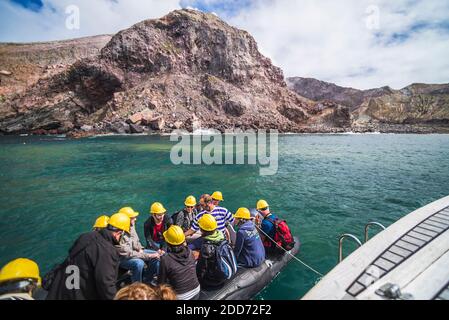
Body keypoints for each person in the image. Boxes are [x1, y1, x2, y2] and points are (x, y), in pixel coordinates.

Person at [46, 213, 130, 300]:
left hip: (62, 289)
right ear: (119, 233)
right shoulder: (108, 250)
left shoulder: (85, 236)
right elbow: (105, 284)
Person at [189, 214, 237, 289]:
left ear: (202, 230)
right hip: (222, 274)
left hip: (213, 282)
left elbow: (200, 269)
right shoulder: (221, 236)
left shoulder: (206, 247)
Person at [117, 207, 161, 285]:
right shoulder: (118, 234)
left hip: (134, 252)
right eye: (133, 218)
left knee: (157, 255)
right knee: (139, 263)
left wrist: (140, 248)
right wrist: (147, 255)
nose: (135, 219)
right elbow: (128, 253)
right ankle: (137, 285)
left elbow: (136, 240)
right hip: (123, 258)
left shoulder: (131, 226)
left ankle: (147, 279)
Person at [158, 225, 200, 300]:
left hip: (181, 297)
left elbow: (161, 283)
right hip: (196, 291)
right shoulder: (190, 252)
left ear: (168, 243)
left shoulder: (165, 259)